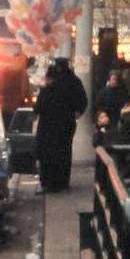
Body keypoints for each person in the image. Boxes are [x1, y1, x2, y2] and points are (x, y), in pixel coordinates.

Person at [34, 56, 87, 192]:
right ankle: (62, 182)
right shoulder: (74, 82)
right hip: (66, 124)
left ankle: (47, 183)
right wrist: (77, 113)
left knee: (47, 155)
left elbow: (38, 107)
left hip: (47, 126)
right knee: (64, 153)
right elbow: (82, 101)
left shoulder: (49, 87)